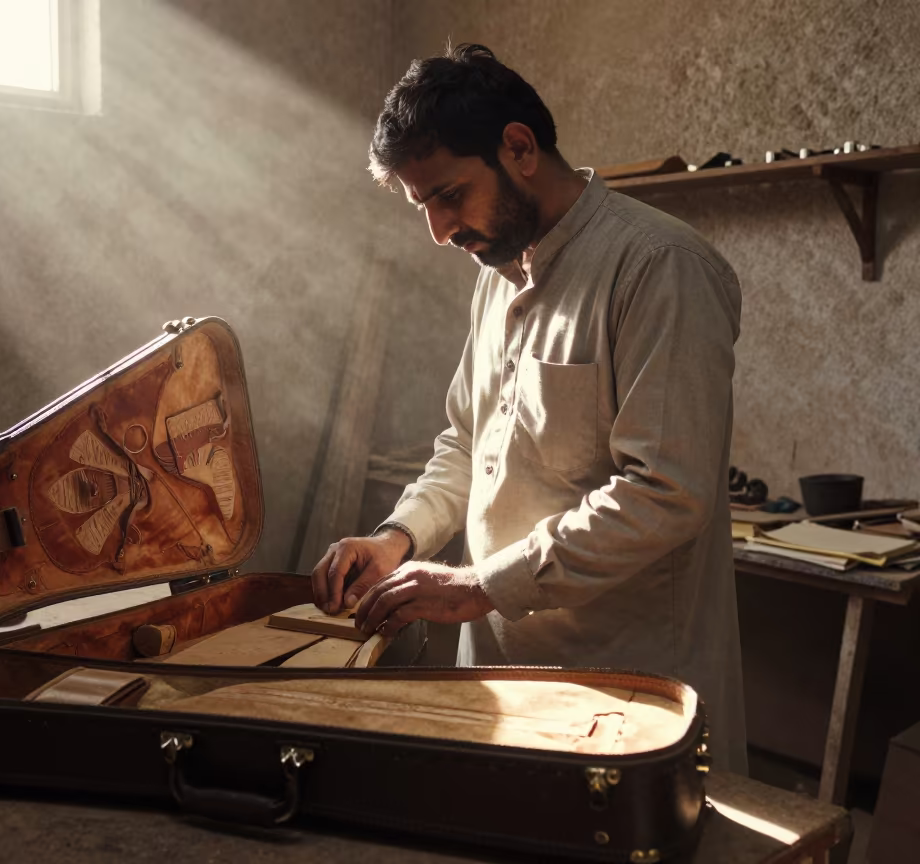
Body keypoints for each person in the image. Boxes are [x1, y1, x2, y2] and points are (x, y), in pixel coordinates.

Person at [311, 43, 747, 772]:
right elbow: (468, 443)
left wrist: (481, 585)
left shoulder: (659, 267)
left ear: (518, 147)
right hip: (501, 666)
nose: (440, 232)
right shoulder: (498, 270)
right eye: (425, 207)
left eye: (448, 196)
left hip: (627, 685)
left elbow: (665, 494)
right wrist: (398, 539)